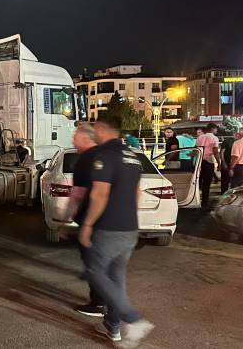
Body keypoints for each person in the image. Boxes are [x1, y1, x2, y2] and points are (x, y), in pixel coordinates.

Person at [79, 115, 155, 347]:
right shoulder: (132, 156)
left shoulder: (105, 155)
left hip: (109, 227)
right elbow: (137, 193)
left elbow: (99, 194)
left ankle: (133, 319)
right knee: (116, 277)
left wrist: (87, 224)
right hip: (130, 228)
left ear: (102, 129)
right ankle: (112, 326)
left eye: (95, 129)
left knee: (95, 273)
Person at [64, 123, 106, 317]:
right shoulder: (105, 155)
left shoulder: (85, 160)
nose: (73, 140)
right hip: (109, 221)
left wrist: (69, 218)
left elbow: (78, 195)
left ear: (86, 138)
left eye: (75, 136)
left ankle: (98, 303)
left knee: (93, 261)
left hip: (91, 220)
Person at [195, 123, 220, 209]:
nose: (216, 131)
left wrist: (193, 160)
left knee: (198, 181)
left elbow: (195, 149)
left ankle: (196, 199)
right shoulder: (214, 138)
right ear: (212, 129)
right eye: (216, 129)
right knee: (207, 182)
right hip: (209, 161)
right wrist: (219, 163)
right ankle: (205, 202)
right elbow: (216, 152)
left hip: (200, 161)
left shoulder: (200, 137)